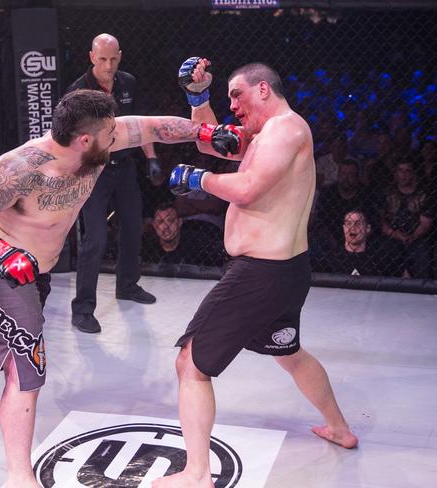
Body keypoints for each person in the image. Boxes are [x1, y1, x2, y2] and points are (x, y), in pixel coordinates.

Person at [0, 89, 205, 488]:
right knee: (27, 365)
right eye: (109, 134)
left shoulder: (97, 142)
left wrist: (208, 132)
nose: (118, 138)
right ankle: (18, 477)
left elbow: (153, 128)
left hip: (34, 276)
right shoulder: (24, 167)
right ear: (84, 140)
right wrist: (1, 250)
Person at [153, 59, 358, 488]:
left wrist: (198, 180)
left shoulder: (286, 130)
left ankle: (196, 473)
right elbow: (213, 143)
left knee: (190, 363)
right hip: (283, 272)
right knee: (289, 353)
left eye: (236, 95)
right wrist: (198, 96)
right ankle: (339, 427)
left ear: (263, 89)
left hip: (260, 274)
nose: (233, 106)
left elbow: (246, 189)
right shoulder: (269, 134)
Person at [67, 33, 161, 334]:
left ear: (119, 56)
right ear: (92, 57)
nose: (108, 65)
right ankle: (82, 309)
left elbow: (139, 126)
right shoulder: (78, 91)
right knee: (94, 239)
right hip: (93, 171)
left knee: (133, 227)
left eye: (113, 59)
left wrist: (152, 157)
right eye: (102, 59)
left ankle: (128, 285)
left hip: (125, 166)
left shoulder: (128, 83)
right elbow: (66, 138)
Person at [314, 209, 404, 276]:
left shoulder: (380, 260)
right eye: (349, 223)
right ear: (343, 228)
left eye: (358, 223)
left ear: (367, 228)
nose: (353, 227)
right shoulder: (330, 259)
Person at [142, 200, 224, 267]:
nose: (166, 226)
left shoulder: (198, 243)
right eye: (160, 222)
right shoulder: (147, 247)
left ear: (179, 222)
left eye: (170, 221)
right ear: (154, 225)